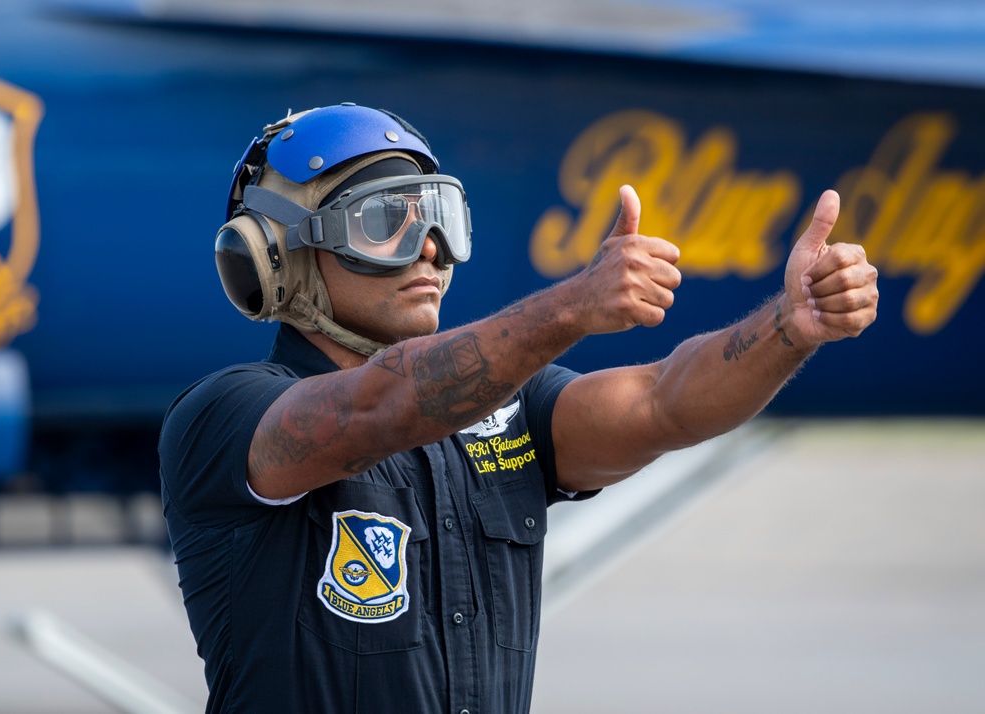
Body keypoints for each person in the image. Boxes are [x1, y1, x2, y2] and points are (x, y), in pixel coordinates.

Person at [159, 103, 878, 713]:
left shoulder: (507, 409)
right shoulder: (227, 415)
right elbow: (375, 410)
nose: (430, 251)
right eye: (385, 223)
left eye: (439, 218)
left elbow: (666, 403)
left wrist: (787, 326)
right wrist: (573, 304)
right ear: (278, 255)